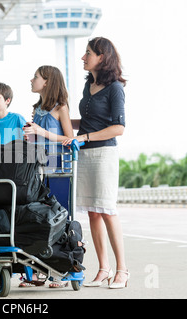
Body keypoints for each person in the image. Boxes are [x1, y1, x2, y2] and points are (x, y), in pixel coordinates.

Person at [62, 37, 129, 289]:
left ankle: (122, 270)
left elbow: (118, 128)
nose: (83, 57)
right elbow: (88, 122)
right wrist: (59, 122)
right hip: (84, 153)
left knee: (107, 211)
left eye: (88, 53)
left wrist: (84, 136)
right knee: (92, 212)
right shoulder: (88, 85)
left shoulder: (115, 89)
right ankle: (103, 269)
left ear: (102, 57)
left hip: (104, 154)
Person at [21, 65, 74, 288]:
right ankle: (39, 269)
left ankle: (62, 270)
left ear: (47, 81)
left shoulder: (60, 108)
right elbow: (35, 140)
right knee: (40, 218)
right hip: (39, 169)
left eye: (36, 77)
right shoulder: (37, 109)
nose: (31, 80)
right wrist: (29, 137)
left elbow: (69, 138)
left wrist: (40, 132)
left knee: (60, 216)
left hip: (58, 169)